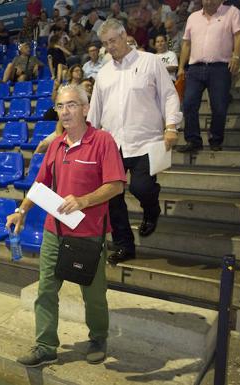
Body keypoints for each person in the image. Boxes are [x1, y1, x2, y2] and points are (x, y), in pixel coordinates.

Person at [5, 84, 126, 367]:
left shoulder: (103, 140)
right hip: (54, 231)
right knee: (46, 289)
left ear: (85, 109)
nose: (65, 111)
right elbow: (40, 183)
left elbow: (116, 185)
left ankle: (98, 336)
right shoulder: (56, 145)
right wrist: (21, 210)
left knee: (93, 295)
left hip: (89, 234)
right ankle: (45, 345)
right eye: (60, 106)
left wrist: (83, 201)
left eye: (72, 105)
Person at [87, 19, 182, 264]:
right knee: (112, 197)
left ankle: (152, 210)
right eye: (105, 43)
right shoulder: (104, 73)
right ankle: (124, 245)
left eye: (114, 40)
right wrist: (88, 138)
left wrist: (171, 126)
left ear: (125, 36)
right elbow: (95, 111)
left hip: (145, 141)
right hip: (112, 144)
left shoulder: (149, 61)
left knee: (142, 188)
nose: (111, 46)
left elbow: (169, 95)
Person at [176, 0, 240, 153]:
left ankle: (216, 139)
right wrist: (181, 67)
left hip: (220, 67)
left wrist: (236, 57)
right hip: (195, 68)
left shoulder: (232, 12)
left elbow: (239, 35)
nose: (209, 1)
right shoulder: (193, 17)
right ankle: (193, 140)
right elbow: (186, 44)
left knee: (219, 106)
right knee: (188, 103)